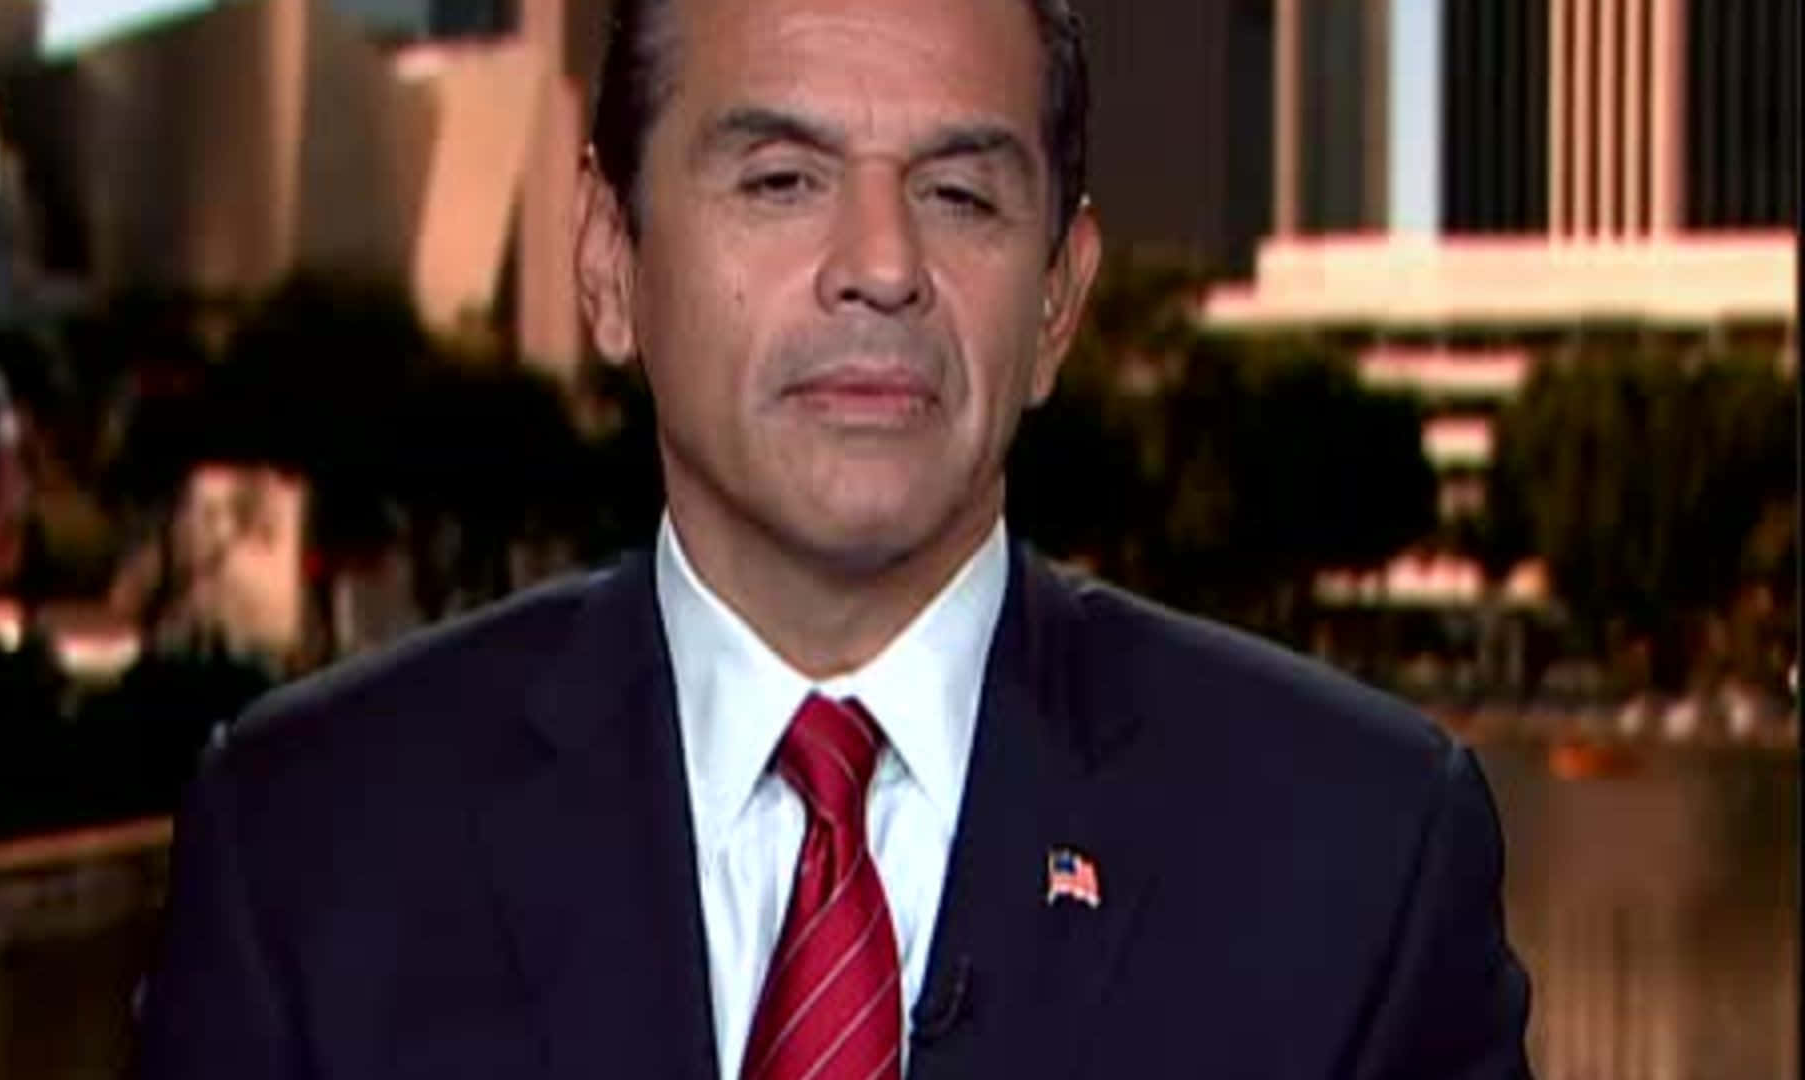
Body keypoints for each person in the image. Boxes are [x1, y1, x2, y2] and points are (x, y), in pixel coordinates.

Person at [134, 0, 1532, 1076]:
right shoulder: (312, 847)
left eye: (961, 194)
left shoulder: (1359, 860)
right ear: (611, 260)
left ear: (1058, 302)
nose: (879, 264)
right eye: (782, 180)